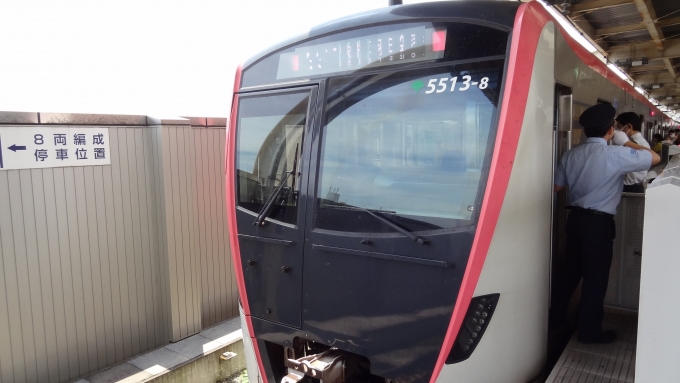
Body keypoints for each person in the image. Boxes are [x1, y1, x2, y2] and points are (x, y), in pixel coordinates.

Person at [552, 104, 660, 344]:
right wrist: (625, 141)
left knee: (570, 272)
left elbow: (557, 187)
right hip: (598, 225)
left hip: (575, 220)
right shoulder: (616, 154)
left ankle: (556, 318)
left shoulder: (570, 154)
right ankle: (590, 332)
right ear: (611, 130)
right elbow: (654, 157)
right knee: (595, 278)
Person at [613, 112, 651, 193]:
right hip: (632, 185)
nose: (618, 131)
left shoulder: (636, 144)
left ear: (629, 126)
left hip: (630, 187)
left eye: (620, 128)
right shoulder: (641, 142)